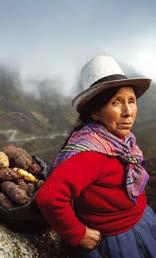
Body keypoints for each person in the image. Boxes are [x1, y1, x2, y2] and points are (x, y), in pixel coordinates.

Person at [35, 54, 156, 258]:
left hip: (142, 222)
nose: (128, 112)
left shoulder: (122, 142)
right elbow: (49, 197)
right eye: (116, 103)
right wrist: (78, 233)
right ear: (95, 113)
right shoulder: (92, 153)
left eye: (131, 101)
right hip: (120, 243)